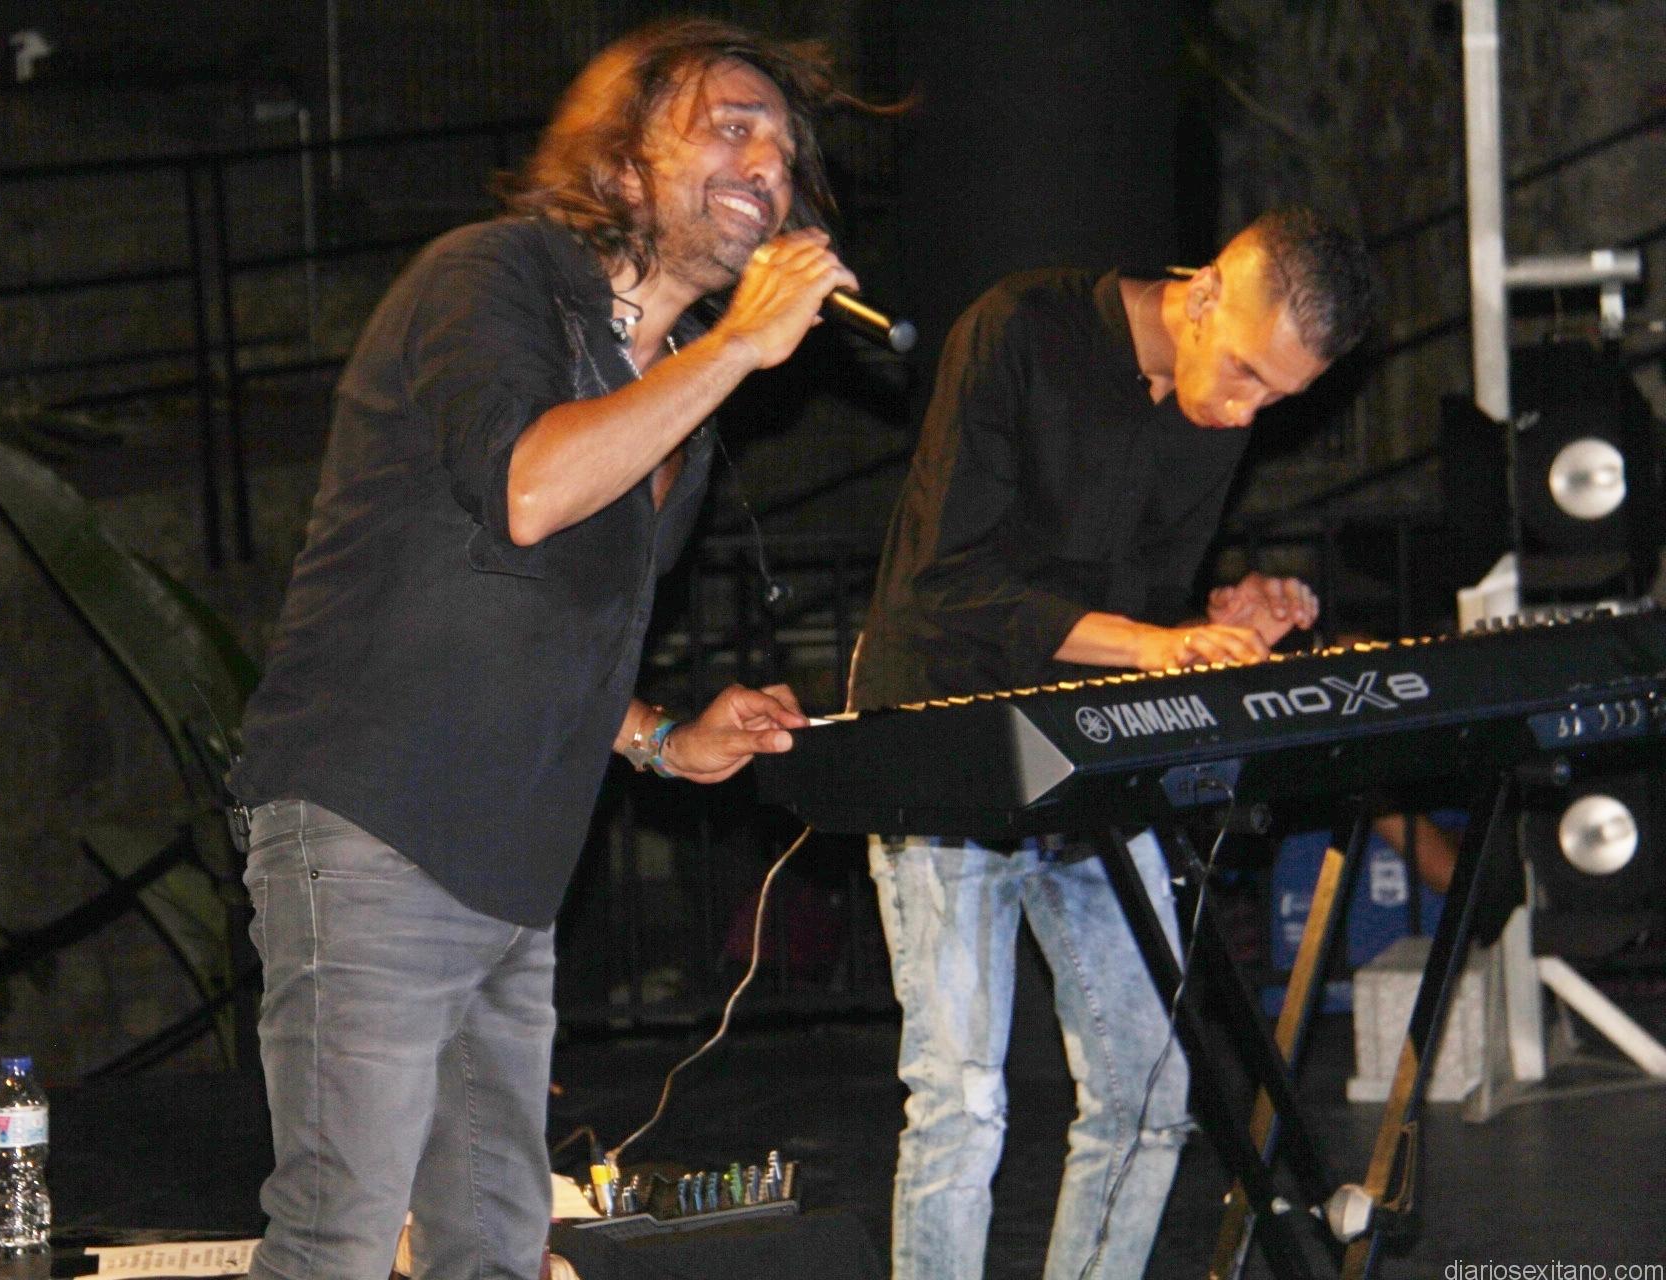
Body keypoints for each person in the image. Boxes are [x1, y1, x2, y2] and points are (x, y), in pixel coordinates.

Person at [227, 19, 886, 1280]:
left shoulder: (680, 398)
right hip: (374, 823)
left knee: (495, 1245)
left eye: (784, 150)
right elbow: (530, 490)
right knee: (338, 1241)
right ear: (625, 165)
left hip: (515, 875)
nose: (769, 165)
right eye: (732, 127)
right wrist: (741, 345)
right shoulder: (491, 276)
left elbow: (564, 624)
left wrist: (661, 738)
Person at [849, 206, 1374, 1280]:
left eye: (1277, 398)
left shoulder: (1215, 414)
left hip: (1090, 752)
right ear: (1204, 292)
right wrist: (1153, 643)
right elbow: (952, 582)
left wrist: (1223, 615)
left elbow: (1144, 600)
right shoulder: (1019, 329)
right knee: (960, 1100)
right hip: (943, 738)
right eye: (1244, 373)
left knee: (1150, 1090)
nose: (1245, 411)